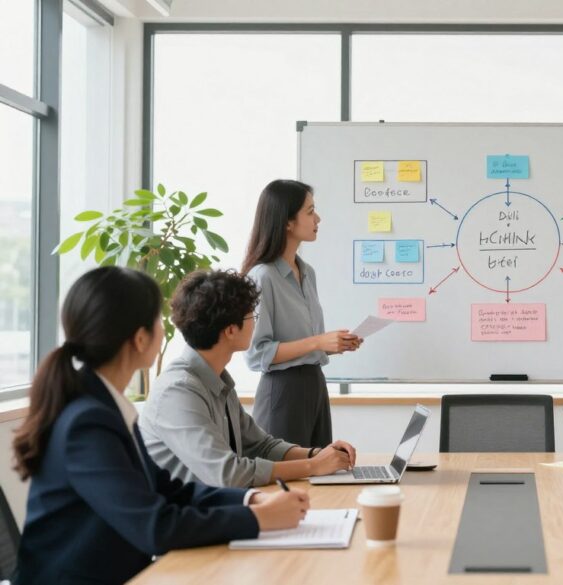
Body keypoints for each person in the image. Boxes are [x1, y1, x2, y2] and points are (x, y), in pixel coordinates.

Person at [12, 267, 308, 585]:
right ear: (140, 339)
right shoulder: (88, 423)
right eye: (158, 320)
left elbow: (170, 491)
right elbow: (155, 527)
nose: (167, 329)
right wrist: (257, 519)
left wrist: (251, 500)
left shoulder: (105, 407)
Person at [141, 270, 359, 488]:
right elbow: (228, 474)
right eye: (252, 316)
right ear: (230, 331)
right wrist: (313, 466)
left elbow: (261, 446)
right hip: (185, 517)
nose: (255, 324)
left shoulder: (218, 381)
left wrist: (318, 454)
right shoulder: (179, 391)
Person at [242, 179, 362, 446]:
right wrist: (319, 342)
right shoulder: (263, 277)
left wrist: (333, 345)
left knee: (321, 474)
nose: (317, 218)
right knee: (288, 479)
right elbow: (256, 353)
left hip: (315, 385)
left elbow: (303, 342)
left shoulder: (307, 272)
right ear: (287, 222)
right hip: (283, 391)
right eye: (310, 212)